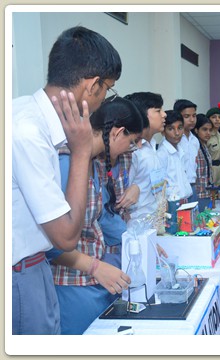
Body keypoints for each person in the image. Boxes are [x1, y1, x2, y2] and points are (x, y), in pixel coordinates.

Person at [12, 26, 121, 335]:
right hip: (20, 274)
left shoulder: (27, 115)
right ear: (92, 86)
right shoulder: (28, 132)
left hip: (34, 269)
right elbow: (65, 237)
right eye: (107, 89)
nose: (104, 99)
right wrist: (82, 152)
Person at [50, 97, 144, 335]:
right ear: (117, 132)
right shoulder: (65, 164)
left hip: (95, 277)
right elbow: (50, 242)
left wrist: (137, 240)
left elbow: (100, 216)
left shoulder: (95, 163)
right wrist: (94, 267)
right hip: (72, 283)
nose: (130, 149)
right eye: (131, 142)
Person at [124, 92, 167, 221]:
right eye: (158, 111)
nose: (164, 115)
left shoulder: (153, 146)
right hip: (137, 224)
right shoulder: (132, 151)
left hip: (156, 220)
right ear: (141, 115)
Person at [157, 110, 193, 233]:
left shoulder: (180, 150)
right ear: (163, 131)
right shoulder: (162, 153)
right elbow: (160, 187)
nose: (177, 133)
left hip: (185, 203)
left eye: (180, 128)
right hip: (172, 207)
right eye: (171, 129)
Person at [174, 99, 200, 201]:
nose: (192, 120)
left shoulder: (195, 140)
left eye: (194, 116)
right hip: (178, 188)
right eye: (187, 116)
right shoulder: (175, 140)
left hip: (193, 185)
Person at [193, 114, 215, 211]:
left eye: (210, 130)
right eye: (204, 129)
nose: (208, 133)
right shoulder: (194, 147)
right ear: (196, 130)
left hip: (207, 192)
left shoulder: (205, 146)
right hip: (198, 194)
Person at [206, 105, 220, 186]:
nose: (217, 120)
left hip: (219, 169)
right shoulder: (207, 135)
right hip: (210, 170)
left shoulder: (218, 134)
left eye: (219, 117)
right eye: (214, 117)